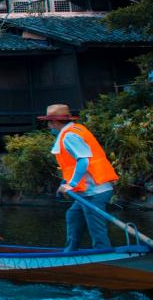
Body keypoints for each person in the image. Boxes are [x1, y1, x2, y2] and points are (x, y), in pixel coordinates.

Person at [42, 103, 118, 251]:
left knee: (97, 229)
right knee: (73, 215)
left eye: (49, 123)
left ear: (55, 122)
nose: (48, 126)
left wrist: (71, 184)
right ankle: (70, 253)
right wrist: (65, 182)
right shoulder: (76, 129)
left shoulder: (69, 136)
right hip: (89, 191)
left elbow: (83, 160)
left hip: (94, 191)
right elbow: (71, 165)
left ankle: (103, 256)